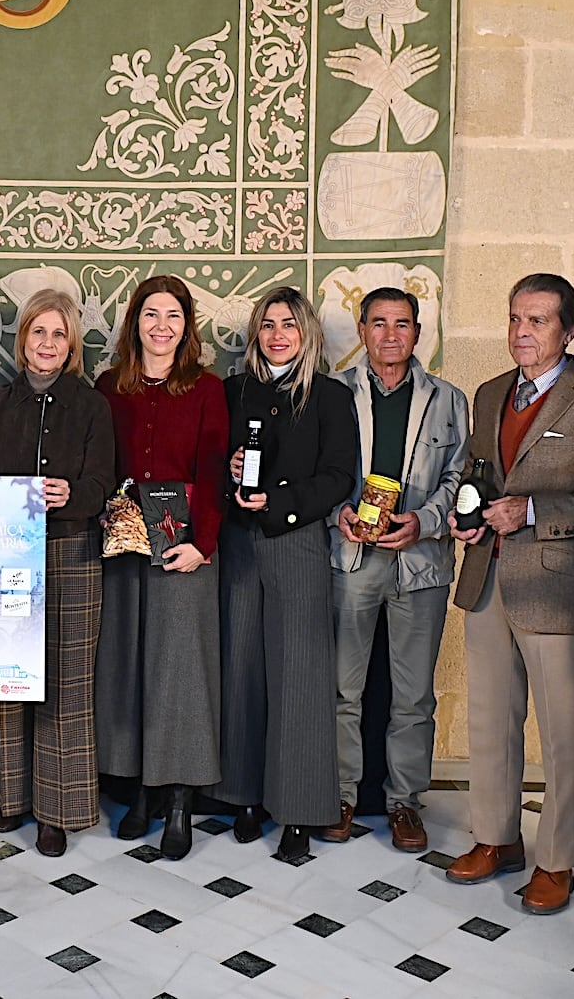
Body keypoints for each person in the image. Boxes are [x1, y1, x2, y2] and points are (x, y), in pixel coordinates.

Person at [446, 273, 574, 916]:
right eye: (514, 319)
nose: (521, 333)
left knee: (560, 734)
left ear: (568, 331)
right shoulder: (489, 393)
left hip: (554, 589)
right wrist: (463, 512)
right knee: (491, 722)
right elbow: (478, 473)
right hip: (485, 576)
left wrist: (530, 512)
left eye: (537, 322)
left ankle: (556, 861)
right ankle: (495, 838)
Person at [0, 289, 116, 857]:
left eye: (58, 334)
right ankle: (15, 796)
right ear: (22, 339)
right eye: (37, 333)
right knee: (11, 678)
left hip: (73, 550)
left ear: (71, 344)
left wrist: (74, 493)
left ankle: (58, 808)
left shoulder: (91, 405)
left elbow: (105, 482)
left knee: (66, 682)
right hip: (7, 555)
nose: (47, 344)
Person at [212, 286, 357, 861]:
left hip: (296, 542)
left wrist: (278, 504)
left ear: (307, 335)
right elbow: (211, 461)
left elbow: (338, 477)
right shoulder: (232, 391)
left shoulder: (327, 396)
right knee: (241, 664)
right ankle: (244, 795)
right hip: (239, 546)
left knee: (299, 674)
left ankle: (297, 810)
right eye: (268, 324)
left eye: (288, 325)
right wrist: (229, 482)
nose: (277, 335)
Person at [322, 287, 469, 852]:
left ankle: (405, 801)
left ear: (417, 332)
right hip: (352, 558)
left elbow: (459, 479)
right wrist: (339, 513)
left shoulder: (448, 400)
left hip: (420, 564)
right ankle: (340, 795)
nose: (390, 335)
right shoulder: (335, 395)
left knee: (413, 694)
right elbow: (324, 470)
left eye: (402, 324)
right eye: (378, 323)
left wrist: (426, 521)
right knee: (343, 687)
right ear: (362, 330)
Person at [95, 274, 229, 860]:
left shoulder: (206, 389)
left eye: (173, 316)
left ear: (186, 326)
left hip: (185, 546)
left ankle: (178, 799)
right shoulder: (108, 387)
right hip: (124, 544)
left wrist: (204, 544)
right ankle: (140, 792)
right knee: (130, 668)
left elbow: (217, 466)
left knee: (179, 673)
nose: (161, 326)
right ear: (135, 323)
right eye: (151, 314)